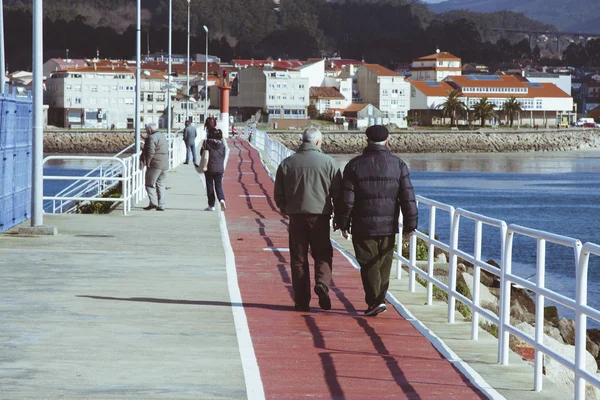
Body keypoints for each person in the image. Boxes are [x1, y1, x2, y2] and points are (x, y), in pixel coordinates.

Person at [335, 125, 418, 316]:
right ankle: (378, 299)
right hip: (388, 225)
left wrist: (343, 221)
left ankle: (375, 301)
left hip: (362, 225)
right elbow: (408, 197)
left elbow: (347, 198)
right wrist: (410, 225)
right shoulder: (398, 165)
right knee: (384, 263)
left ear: (367, 141)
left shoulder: (354, 165)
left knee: (368, 262)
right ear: (388, 141)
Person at [274, 127, 343, 312]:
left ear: (302, 141)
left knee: (298, 258)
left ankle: (302, 301)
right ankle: (322, 283)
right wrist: (339, 215)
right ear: (318, 142)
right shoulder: (329, 163)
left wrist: (284, 208)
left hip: (296, 216)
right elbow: (338, 193)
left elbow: (278, 192)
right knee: (322, 253)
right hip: (320, 216)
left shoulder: (287, 163)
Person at [141, 122, 169, 211]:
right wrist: (146, 139)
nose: (146, 132)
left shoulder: (151, 137)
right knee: (161, 184)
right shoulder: (161, 135)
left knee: (149, 184)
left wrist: (148, 162)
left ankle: (153, 203)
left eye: (146, 130)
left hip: (155, 164)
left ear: (149, 130)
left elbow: (151, 151)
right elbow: (157, 144)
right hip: (164, 163)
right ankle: (162, 205)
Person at [202, 127, 228, 211]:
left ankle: (211, 205)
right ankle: (221, 199)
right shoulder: (222, 145)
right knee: (218, 186)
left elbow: (202, 153)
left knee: (210, 186)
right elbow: (223, 156)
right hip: (220, 168)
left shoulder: (206, 143)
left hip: (209, 168)